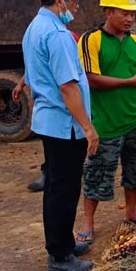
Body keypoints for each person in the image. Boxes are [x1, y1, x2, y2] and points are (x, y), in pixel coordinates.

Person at [22, 0, 98, 271]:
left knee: (57, 185)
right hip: (65, 125)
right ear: (59, 1)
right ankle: (59, 254)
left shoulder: (35, 27)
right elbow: (68, 86)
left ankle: (62, 243)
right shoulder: (57, 34)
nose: (76, 7)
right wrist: (88, 126)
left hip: (50, 122)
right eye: (74, 1)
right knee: (64, 190)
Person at [77, 0, 136, 244]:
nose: (130, 18)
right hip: (107, 123)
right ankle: (88, 223)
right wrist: (127, 83)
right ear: (108, 12)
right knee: (97, 174)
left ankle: (131, 212)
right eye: (124, 13)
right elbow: (91, 79)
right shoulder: (92, 40)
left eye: (132, 14)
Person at [13, 20, 81, 193]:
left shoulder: (63, 37)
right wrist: (21, 84)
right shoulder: (55, 36)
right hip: (58, 110)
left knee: (62, 165)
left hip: (61, 110)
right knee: (59, 168)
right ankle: (48, 173)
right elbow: (37, 66)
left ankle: (51, 175)